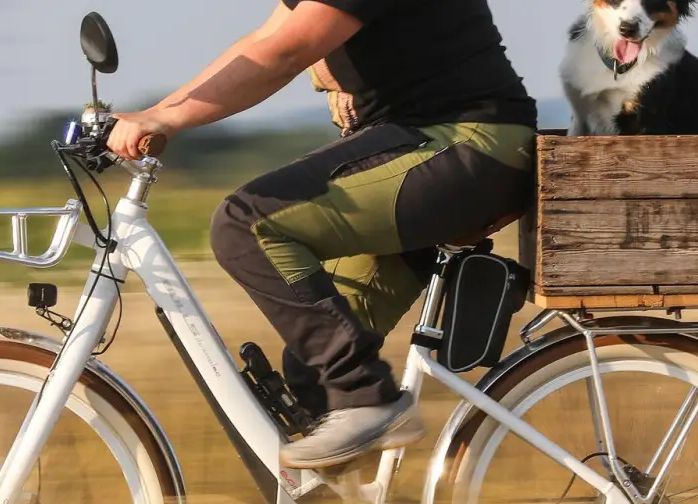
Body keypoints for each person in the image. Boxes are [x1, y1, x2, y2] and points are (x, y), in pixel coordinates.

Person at [108, 0, 537, 470]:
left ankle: (366, 398)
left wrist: (169, 120)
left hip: (466, 146)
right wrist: (156, 113)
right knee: (313, 368)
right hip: (432, 150)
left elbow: (285, 54)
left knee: (247, 223)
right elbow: (260, 42)